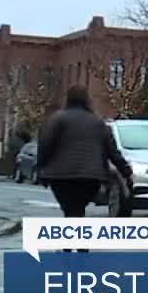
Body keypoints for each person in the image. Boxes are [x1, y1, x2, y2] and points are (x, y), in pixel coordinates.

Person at [37, 86, 133, 245]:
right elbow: (112, 152)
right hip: (90, 176)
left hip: (60, 175)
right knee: (79, 208)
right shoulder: (98, 123)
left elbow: (45, 145)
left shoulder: (58, 119)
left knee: (69, 210)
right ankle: (80, 246)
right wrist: (126, 171)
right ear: (87, 100)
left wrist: (40, 167)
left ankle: (70, 245)